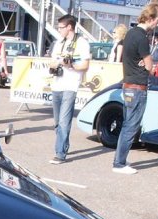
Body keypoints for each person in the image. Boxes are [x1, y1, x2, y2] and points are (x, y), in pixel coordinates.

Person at [112, 2, 158, 175]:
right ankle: (119, 163)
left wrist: (143, 63)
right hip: (138, 87)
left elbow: (136, 60)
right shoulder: (142, 37)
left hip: (127, 84)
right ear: (151, 18)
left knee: (127, 124)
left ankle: (119, 160)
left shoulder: (130, 33)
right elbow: (149, 65)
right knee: (131, 126)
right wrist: (149, 66)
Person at [47, 14, 91, 164]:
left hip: (71, 85)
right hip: (57, 84)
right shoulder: (59, 42)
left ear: (69, 27)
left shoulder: (82, 43)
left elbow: (85, 65)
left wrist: (70, 64)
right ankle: (63, 145)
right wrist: (56, 63)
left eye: (61, 27)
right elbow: (52, 61)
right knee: (57, 122)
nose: (59, 30)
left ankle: (60, 153)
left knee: (64, 121)